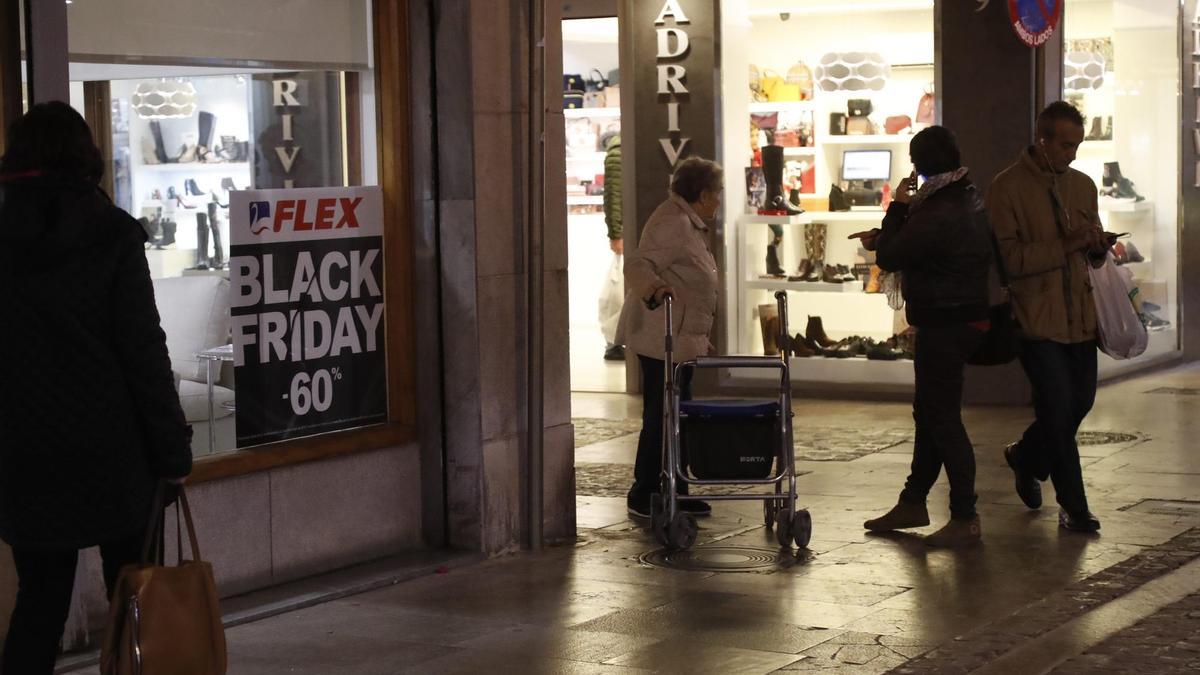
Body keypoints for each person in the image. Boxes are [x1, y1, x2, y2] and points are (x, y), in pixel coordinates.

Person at [0, 102, 193, 674]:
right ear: (86, 157)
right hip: (114, 453)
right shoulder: (111, 233)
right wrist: (172, 453)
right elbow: (143, 353)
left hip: (26, 454)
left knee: (38, 605)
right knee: (134, 598)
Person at [853, 126, 993, 547]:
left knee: (942, 417)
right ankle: (913, 501)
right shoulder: (966, 195)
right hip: (962, 315)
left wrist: (896, 208)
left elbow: (893, 256)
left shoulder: (936, 208)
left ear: (918, 165)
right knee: (930, 413)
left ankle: (965, 514)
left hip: (944, 320)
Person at [988, 101, 1108, 533]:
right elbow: (1010, 259)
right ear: (1042, 139)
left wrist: (1096, 245)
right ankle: (1075, 508)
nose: (1071, 154)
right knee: (1057, 410)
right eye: (1065, 145)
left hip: (1081, 315)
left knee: (1080, 403)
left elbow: (1087, 248)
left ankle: (1025, 456)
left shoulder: (1083, 185)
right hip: (1036, 318)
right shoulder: (1007, 188)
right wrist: (1069, 244)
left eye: (1077, 145)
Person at [617, 156, 723, 519]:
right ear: (703, 193)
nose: (720, 201)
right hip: (659, 340)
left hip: (680, 341)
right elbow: (638, 264)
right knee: (661, 417)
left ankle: (675, 488)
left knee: (678, 417)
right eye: (718, 193)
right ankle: (644, 492)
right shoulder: (672, 222)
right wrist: (655, 289)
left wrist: (697, 338)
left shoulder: (689, 224)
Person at [600, 132, 625, 361]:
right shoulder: (619, 152)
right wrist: (616, 232)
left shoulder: (621, 150)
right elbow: (613, 195)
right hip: (626, 231)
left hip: (629, 229)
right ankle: (614, 341)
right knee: (618, 291)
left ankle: (616, 340)